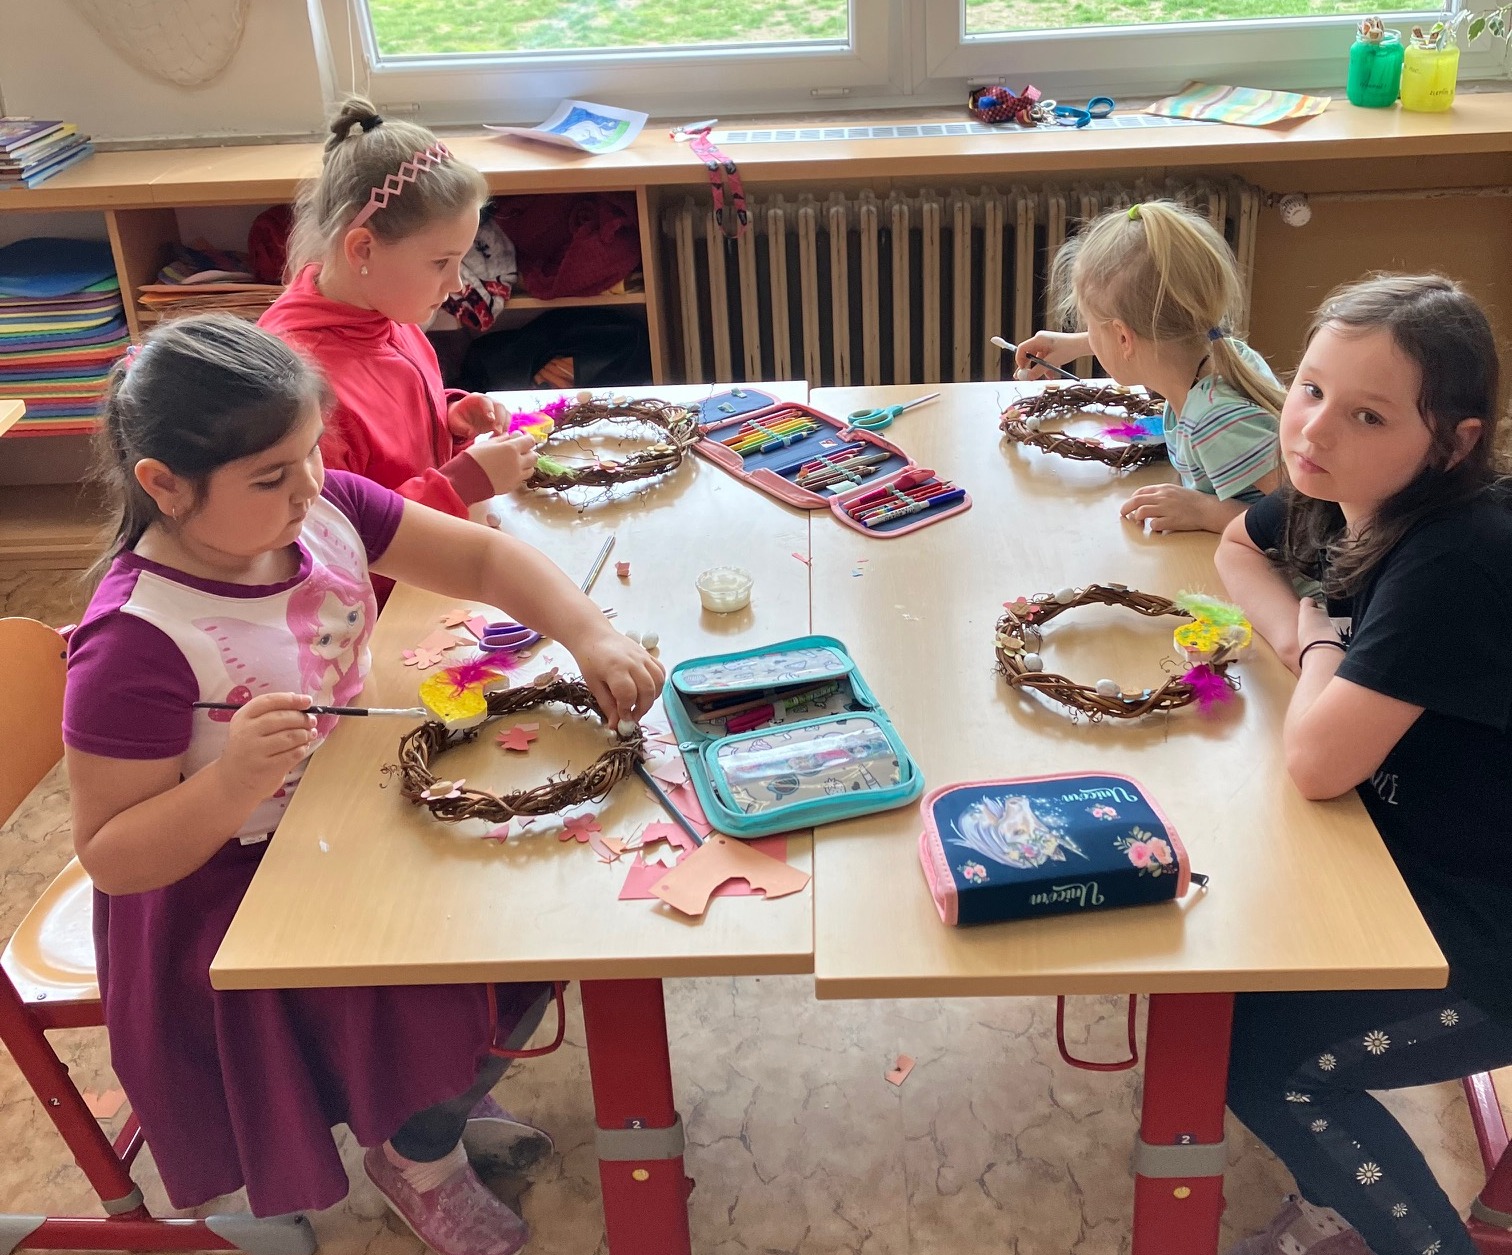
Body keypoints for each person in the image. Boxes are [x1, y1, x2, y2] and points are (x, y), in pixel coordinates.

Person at [65, 315, 663, 1255]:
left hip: (353, 813)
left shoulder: (324, 509)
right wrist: (231, 781)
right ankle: (418, 1149)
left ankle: (431, 1103)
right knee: (434, 1000)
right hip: (231, 893)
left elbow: (480, 557)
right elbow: (111, 853)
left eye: (312, 452)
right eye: (271, 476)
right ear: (165, 485)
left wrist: (591, 632)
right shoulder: (133, 640)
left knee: (528, 931)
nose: (309, 485)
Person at [1215, 274, 1512, 1255]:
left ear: (1454, 444)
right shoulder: (1337, 488)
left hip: (1489, 934)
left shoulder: (1456, 555)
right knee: (1219, 983)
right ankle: (1339, 1196)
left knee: (1267, 1063)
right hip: (1410, 858)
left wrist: (1319, 651)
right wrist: (1307, 641)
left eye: (1368, 414)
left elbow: (1315, 763)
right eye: (1310, 389)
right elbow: (1236, 546)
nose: (1314, 429)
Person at [260, 96, 537, 521]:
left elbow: (390, 442)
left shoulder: (380, 309)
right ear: (363, 249)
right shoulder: (302, 390)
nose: (458, 284)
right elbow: (338, 537)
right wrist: (459, 485)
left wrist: (449, 419)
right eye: (440, 262)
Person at [1015, 200, 1283, 535]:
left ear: (1123, 338)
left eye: (1091, 326)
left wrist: (1207, 513)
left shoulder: (1216, 422)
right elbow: (1150, 335)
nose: (1089, 336)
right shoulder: (1221, 354)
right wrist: (1078, 343)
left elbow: (1308, 519)